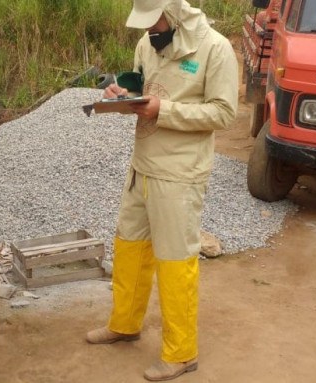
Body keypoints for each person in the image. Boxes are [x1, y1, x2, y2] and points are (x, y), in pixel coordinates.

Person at [85, 0, 238, 381]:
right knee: (130, 245)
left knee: (174, 259)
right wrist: (120, 98)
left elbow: (223, 113)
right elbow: (142, 92)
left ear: (176, 13)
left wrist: (163, 110)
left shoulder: (215, 48)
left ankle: (181, 351)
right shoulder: (146, 43)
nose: (149, 31)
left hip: (179, 173)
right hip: (142, 166)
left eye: (155, 23)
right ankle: (124, 324)